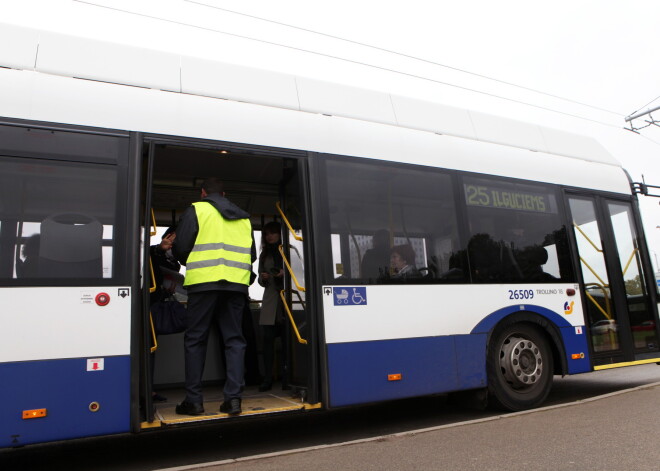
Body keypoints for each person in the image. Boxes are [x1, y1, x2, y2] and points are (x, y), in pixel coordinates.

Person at [173, 178, 256, 416]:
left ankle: (194, 401)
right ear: (224, 193)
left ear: (203, 193)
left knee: (196, 339)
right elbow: (251, 254)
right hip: (236, 285)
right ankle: (233, 400)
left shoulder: (197, 209)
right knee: (234, 340)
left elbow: (181, 248)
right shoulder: (244, 217)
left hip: (203, 284)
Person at [148, 226, 182, 403]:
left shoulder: (174, 263)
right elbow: (151, 254)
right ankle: (145, 390)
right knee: (147, 349)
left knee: (151, 349)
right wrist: (160, 248)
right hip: (147, 305)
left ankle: (148, 389)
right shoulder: (153, 252)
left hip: (158, 304)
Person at [257, 221, 285, 392]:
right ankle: (267, 378)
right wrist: (264, 278)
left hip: (287, 302)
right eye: (267, 234)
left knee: (287, 343)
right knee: (267, 343)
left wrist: (284, 274)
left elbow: (300, 273)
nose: (270, 236)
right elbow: (260, 280)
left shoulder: (289, 250)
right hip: (269, 302)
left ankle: (287, 376)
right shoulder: (264, 255)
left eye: (273, 233)